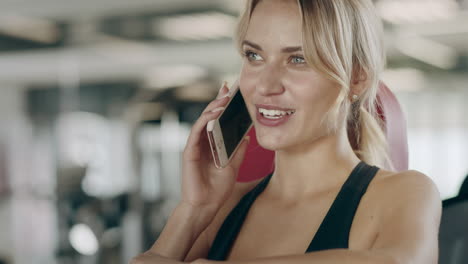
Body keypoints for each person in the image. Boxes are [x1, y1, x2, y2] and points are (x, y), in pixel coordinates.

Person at [131, 0, 441, 263]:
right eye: (254, 56)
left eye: (298, 59)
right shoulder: (224, 208)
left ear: (356, 79)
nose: (265, 85)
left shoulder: (403, 194)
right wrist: (194, 210)